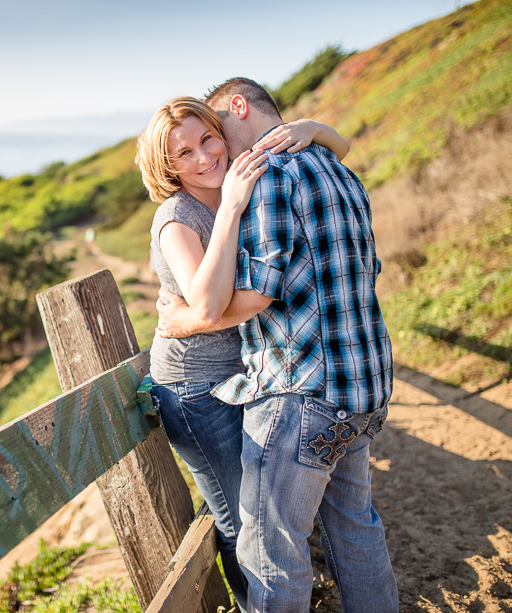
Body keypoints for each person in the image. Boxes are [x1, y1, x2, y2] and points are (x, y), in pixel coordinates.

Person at [156, 78, 398, 612]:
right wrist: (315, 130)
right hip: (364, 386)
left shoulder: (267, 178)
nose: (216, 146)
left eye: (216, 129)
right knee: (356, 528)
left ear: (238, 107)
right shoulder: (340, 171)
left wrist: (186, 321)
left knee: (271, 552)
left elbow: (259, 292)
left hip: (300, 392)